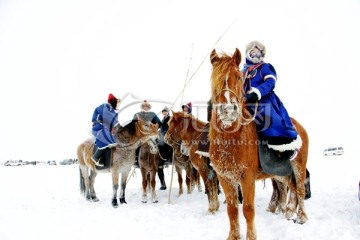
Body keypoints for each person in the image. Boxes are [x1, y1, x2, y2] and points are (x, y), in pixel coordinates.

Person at [241, 40, 302, 161]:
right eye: (253, 53)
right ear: (248, 54)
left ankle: (282, 147)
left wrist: (257, 92)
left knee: (267, 116)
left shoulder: (265, 67)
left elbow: (270, 82)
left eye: (258, 53)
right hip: (244, 100)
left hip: (263, 98)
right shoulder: (242, 71)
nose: (255, 56)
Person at [91, 93, 121, 167]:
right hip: (99, 127)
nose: (117, 105)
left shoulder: (110, 109)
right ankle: (96, 157)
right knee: (108, 139)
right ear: (113, 101)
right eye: (116, 103)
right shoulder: (106, 106)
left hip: (104, 127)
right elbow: (111, 119)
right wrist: (118, 125)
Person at [133, 100, 162, 168]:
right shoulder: (137, 114)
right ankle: (136, 160)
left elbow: (159, 123)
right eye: (144, 106)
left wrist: (152, 125)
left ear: (149, 107)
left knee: (160, 142)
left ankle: (161, 159)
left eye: (146, 106)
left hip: (151, 133)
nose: (145, 107)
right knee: (135, 144)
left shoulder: (152, 114)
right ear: (142, 107)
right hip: (141, 134)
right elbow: (133, 124)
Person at [157, 106, 172, 190]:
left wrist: (165, 132)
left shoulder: (169, 118)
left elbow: (168, 127)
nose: (164, 112)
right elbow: (161, 127)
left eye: (166, 111)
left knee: (166, 145)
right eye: (163, 111)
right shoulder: (162, 119)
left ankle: (167, 158)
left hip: (167, 134)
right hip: (162, 134)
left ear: (168, 112)